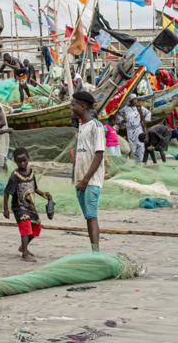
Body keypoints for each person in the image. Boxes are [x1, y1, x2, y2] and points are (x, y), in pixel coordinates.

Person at [71, 90, 105, 252]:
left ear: (83, 106)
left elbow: (99, 155)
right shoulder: (82, 126)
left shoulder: (96, 127)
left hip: (91, 181)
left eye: (73, 104)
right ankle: (93, 249)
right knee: (87, 217)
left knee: (92, 216)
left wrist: (85, 180)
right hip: (81, 181)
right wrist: (78, 180)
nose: (71, 107)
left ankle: (96, 252)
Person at [4, 148, 52, 261]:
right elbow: (7, 192)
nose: (22, 163)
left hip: (30, 206)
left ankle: (23, 247)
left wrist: (43, 194)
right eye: (19, 161)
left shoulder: (31, 172)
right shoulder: (15, 175)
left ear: (28, 158)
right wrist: (6, 209)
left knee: (36, 226)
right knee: (25, 226)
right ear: (15, 161)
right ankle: (25, 254)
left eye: (24, 160)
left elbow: (34, 188)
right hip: (19, 206)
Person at [119, 96, 150, 163]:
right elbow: (119, 114)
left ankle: (141, 161)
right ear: (131, 101)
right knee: (132, 146)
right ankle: (134, 162)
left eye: (136, 99)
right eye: (134, 100)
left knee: (141, 144)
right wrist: (122, 121)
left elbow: (148, 113)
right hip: (129, 130)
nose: (136, 101)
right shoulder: (125, 109)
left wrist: (145, 121)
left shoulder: (139, 108)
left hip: (138, 128)